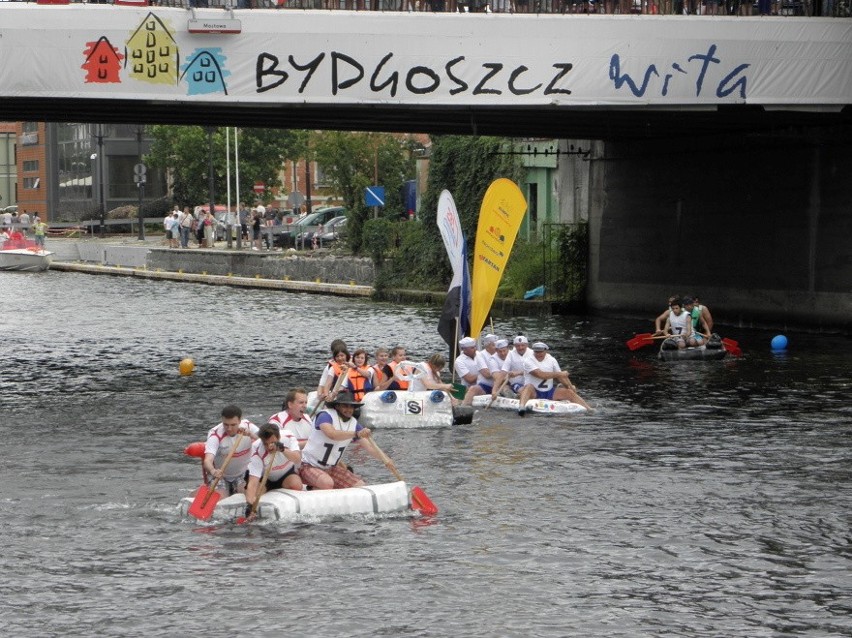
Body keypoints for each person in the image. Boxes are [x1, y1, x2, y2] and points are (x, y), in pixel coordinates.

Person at [299, 391, 380, 490]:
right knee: (327, 483)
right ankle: (311, 488)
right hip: (309, 465)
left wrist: (385, 459)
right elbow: (332, 434)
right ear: (337, 406)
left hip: (331, 467)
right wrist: (356, 434)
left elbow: (369, 447)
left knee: (360, 485)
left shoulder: (354, 424)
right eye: (345, 406)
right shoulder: (325, 416)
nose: (349, 410)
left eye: (351, 407)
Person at [242, 423, 303, 520]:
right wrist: (250, 506)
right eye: (265, 444)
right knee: (254, 494)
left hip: (285, 474)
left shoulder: (289, 436)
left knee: (296, 485)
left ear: (278, 437)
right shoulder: (256, 449)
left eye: (272, 443)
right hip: (265, 478)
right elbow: (253, 482)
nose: (269, 447)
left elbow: (297, 459)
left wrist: (283, 450)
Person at [517, 342, 591, 415]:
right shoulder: (528, 360)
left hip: (549, 391)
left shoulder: (552, 360)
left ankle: (589, 409)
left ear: (546, 351)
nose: (538, 354)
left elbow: (561, 377)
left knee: (570, 392)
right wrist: (560, 374)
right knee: (529, 386)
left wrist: (569, 386)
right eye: (536, 352)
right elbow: (540, 375)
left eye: (541, 352)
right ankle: (521, 406)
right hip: (534, 392)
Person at [202, 405, 260, 497]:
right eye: (226, 424)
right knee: (221, 498)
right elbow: (207, 461)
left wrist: (252, 435)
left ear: (240, 421)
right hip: (220, 476)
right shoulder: (215, 434)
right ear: (222, 420)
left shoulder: (249, 426)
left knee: (249, 494)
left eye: (233, 425)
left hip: (242, 474)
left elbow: (266, 443)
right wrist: (213, 471)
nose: (229, 429)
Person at [492, 335, 534, 400]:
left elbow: (537, 372)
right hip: (516, 384)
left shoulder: (533, 353)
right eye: (518, 346)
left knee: (529, 391)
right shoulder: (511, 354)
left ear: (527, 345)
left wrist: (519, 373)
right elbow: (503, 373)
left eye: (523, 345)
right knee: (522, 391)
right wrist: (494, 391)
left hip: (531, 383)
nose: (520, 348)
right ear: (514, 346)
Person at [462, 334, 499, 405]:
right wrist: (500, 375)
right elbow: (486, 374)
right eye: (494, 345)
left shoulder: (501, 353)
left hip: (500, 384)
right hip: (485, 386)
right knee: (473, 388)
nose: (497, 347)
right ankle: (463, 407)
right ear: (487, 346)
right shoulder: (480, 355)